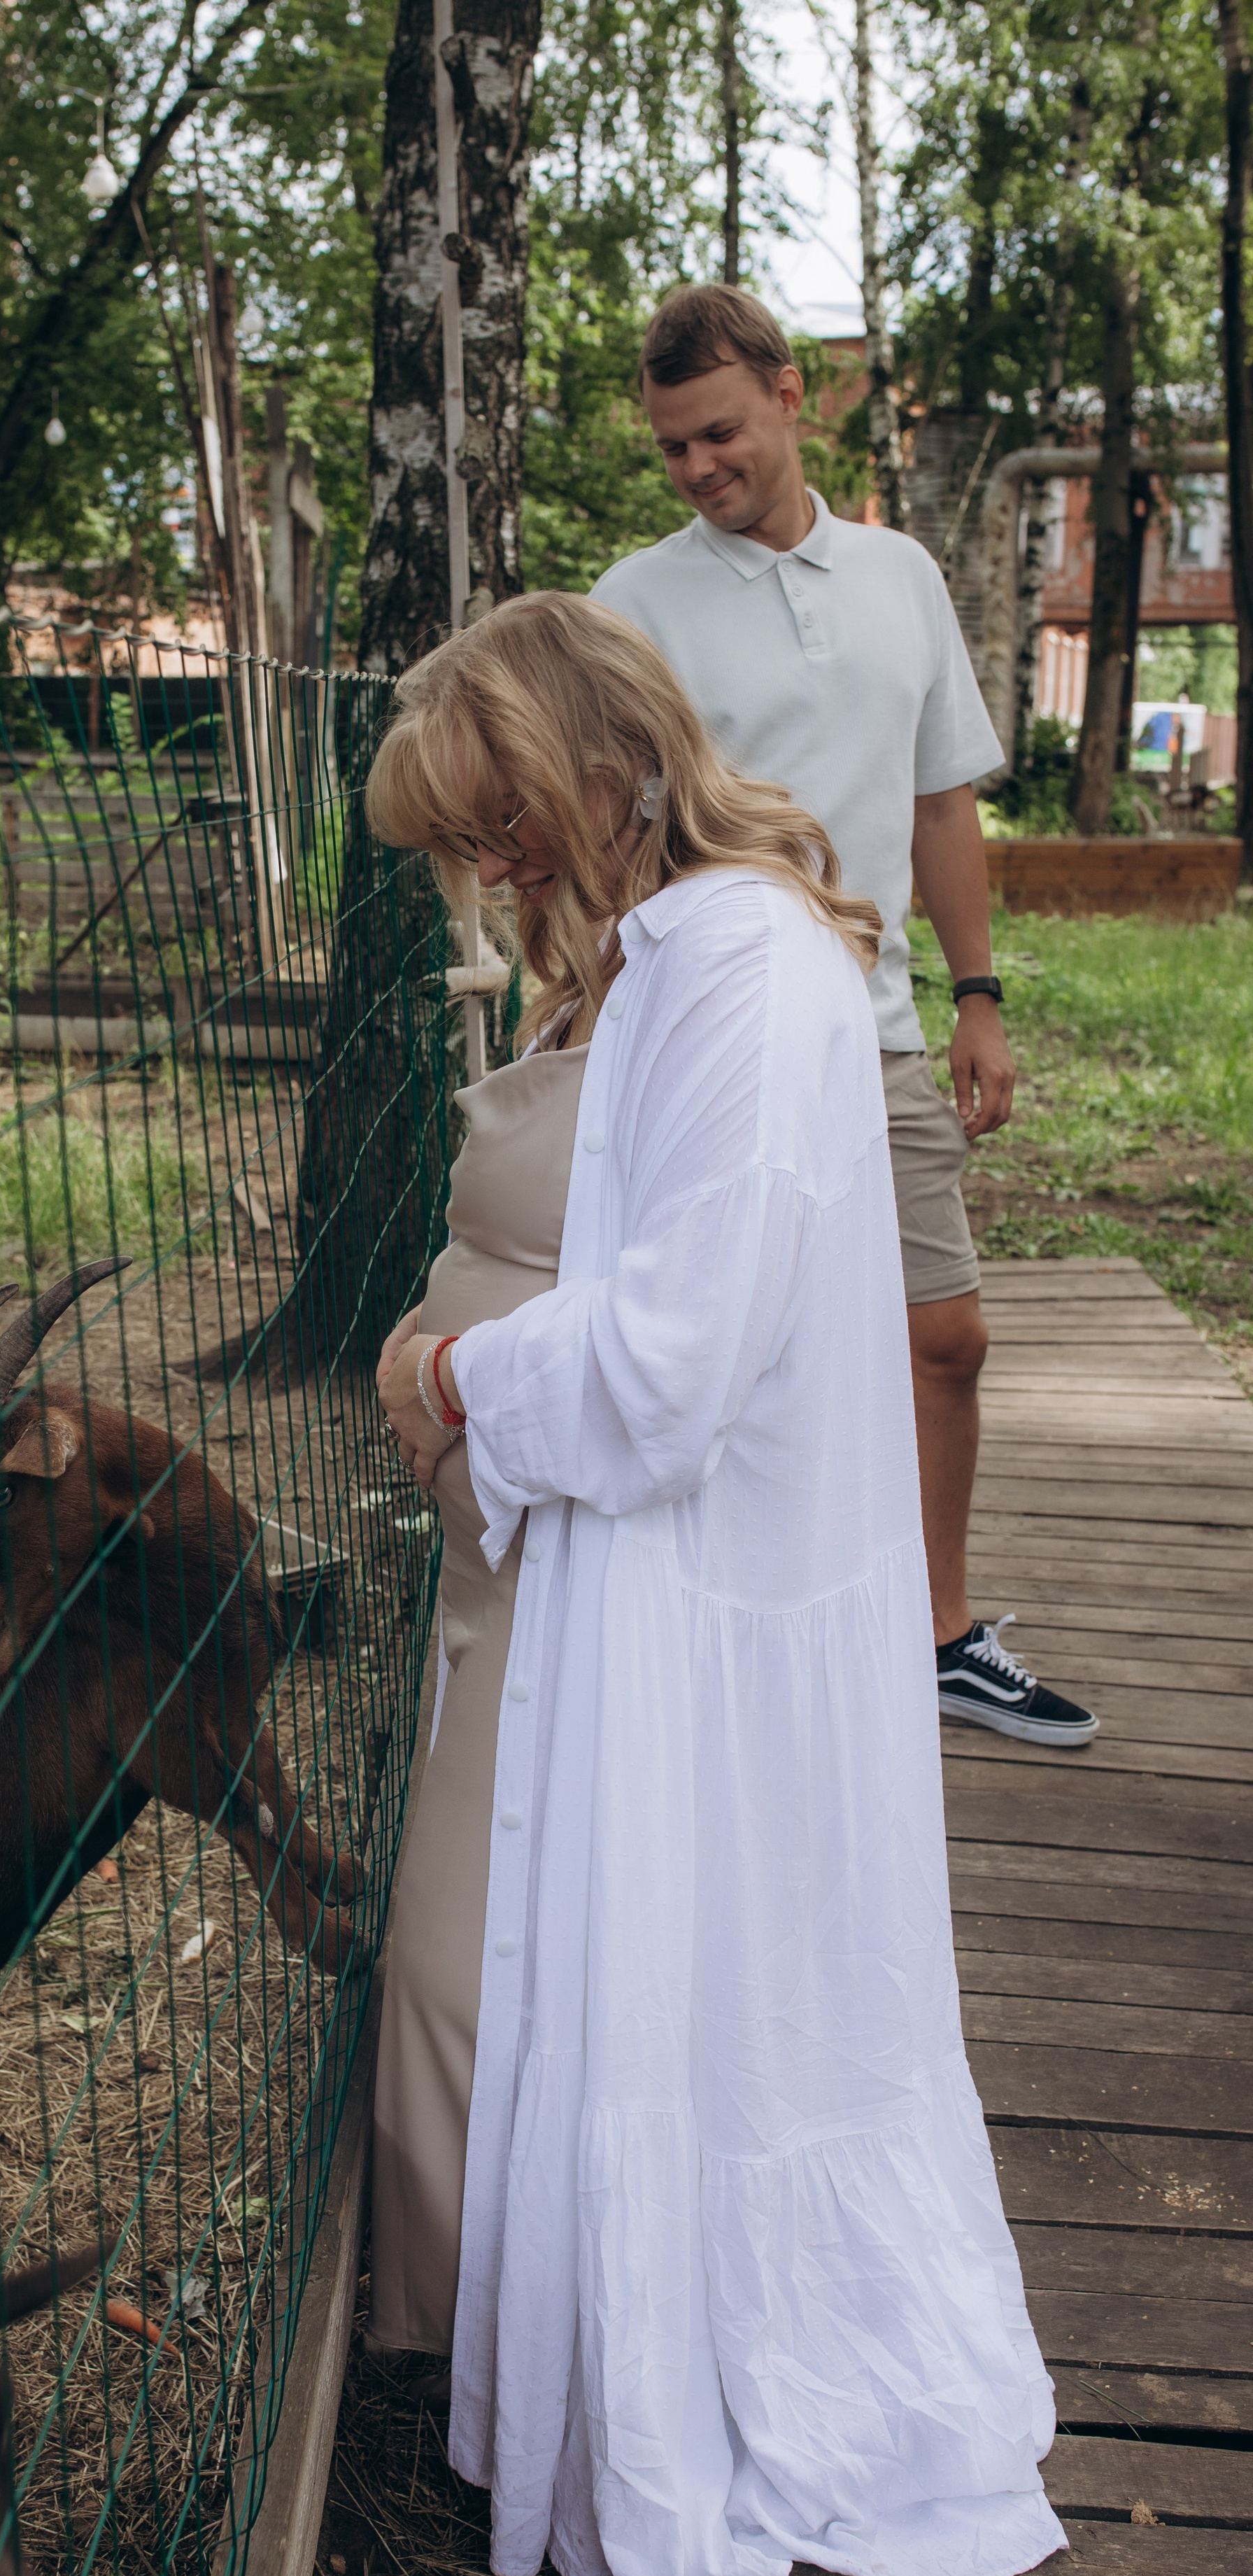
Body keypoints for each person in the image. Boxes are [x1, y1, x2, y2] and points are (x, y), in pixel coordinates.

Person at [365, 590, 1063, 2576]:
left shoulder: (743, 966)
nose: (488, 870)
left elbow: (677, 1362)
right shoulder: (677, 957)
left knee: (703, 1997)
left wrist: (448, 1383)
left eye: (495, 817)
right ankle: (622, 2359)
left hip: (705, 1587)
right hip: (653, 1587)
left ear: (589, 761)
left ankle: (695, 2387)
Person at [591, 283, 1097, 1749]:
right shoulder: (633, 605)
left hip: (869, 1031)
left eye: (718, 434)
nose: (696, 469)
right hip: (717, 1036)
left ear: (787, 394)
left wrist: (977, 998)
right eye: (674, 449)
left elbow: (938, 803)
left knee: (941, 1339)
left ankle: (937, 1635)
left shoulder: (902, 580)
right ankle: (729, 1641)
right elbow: (609, 837)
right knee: (732, 1350)